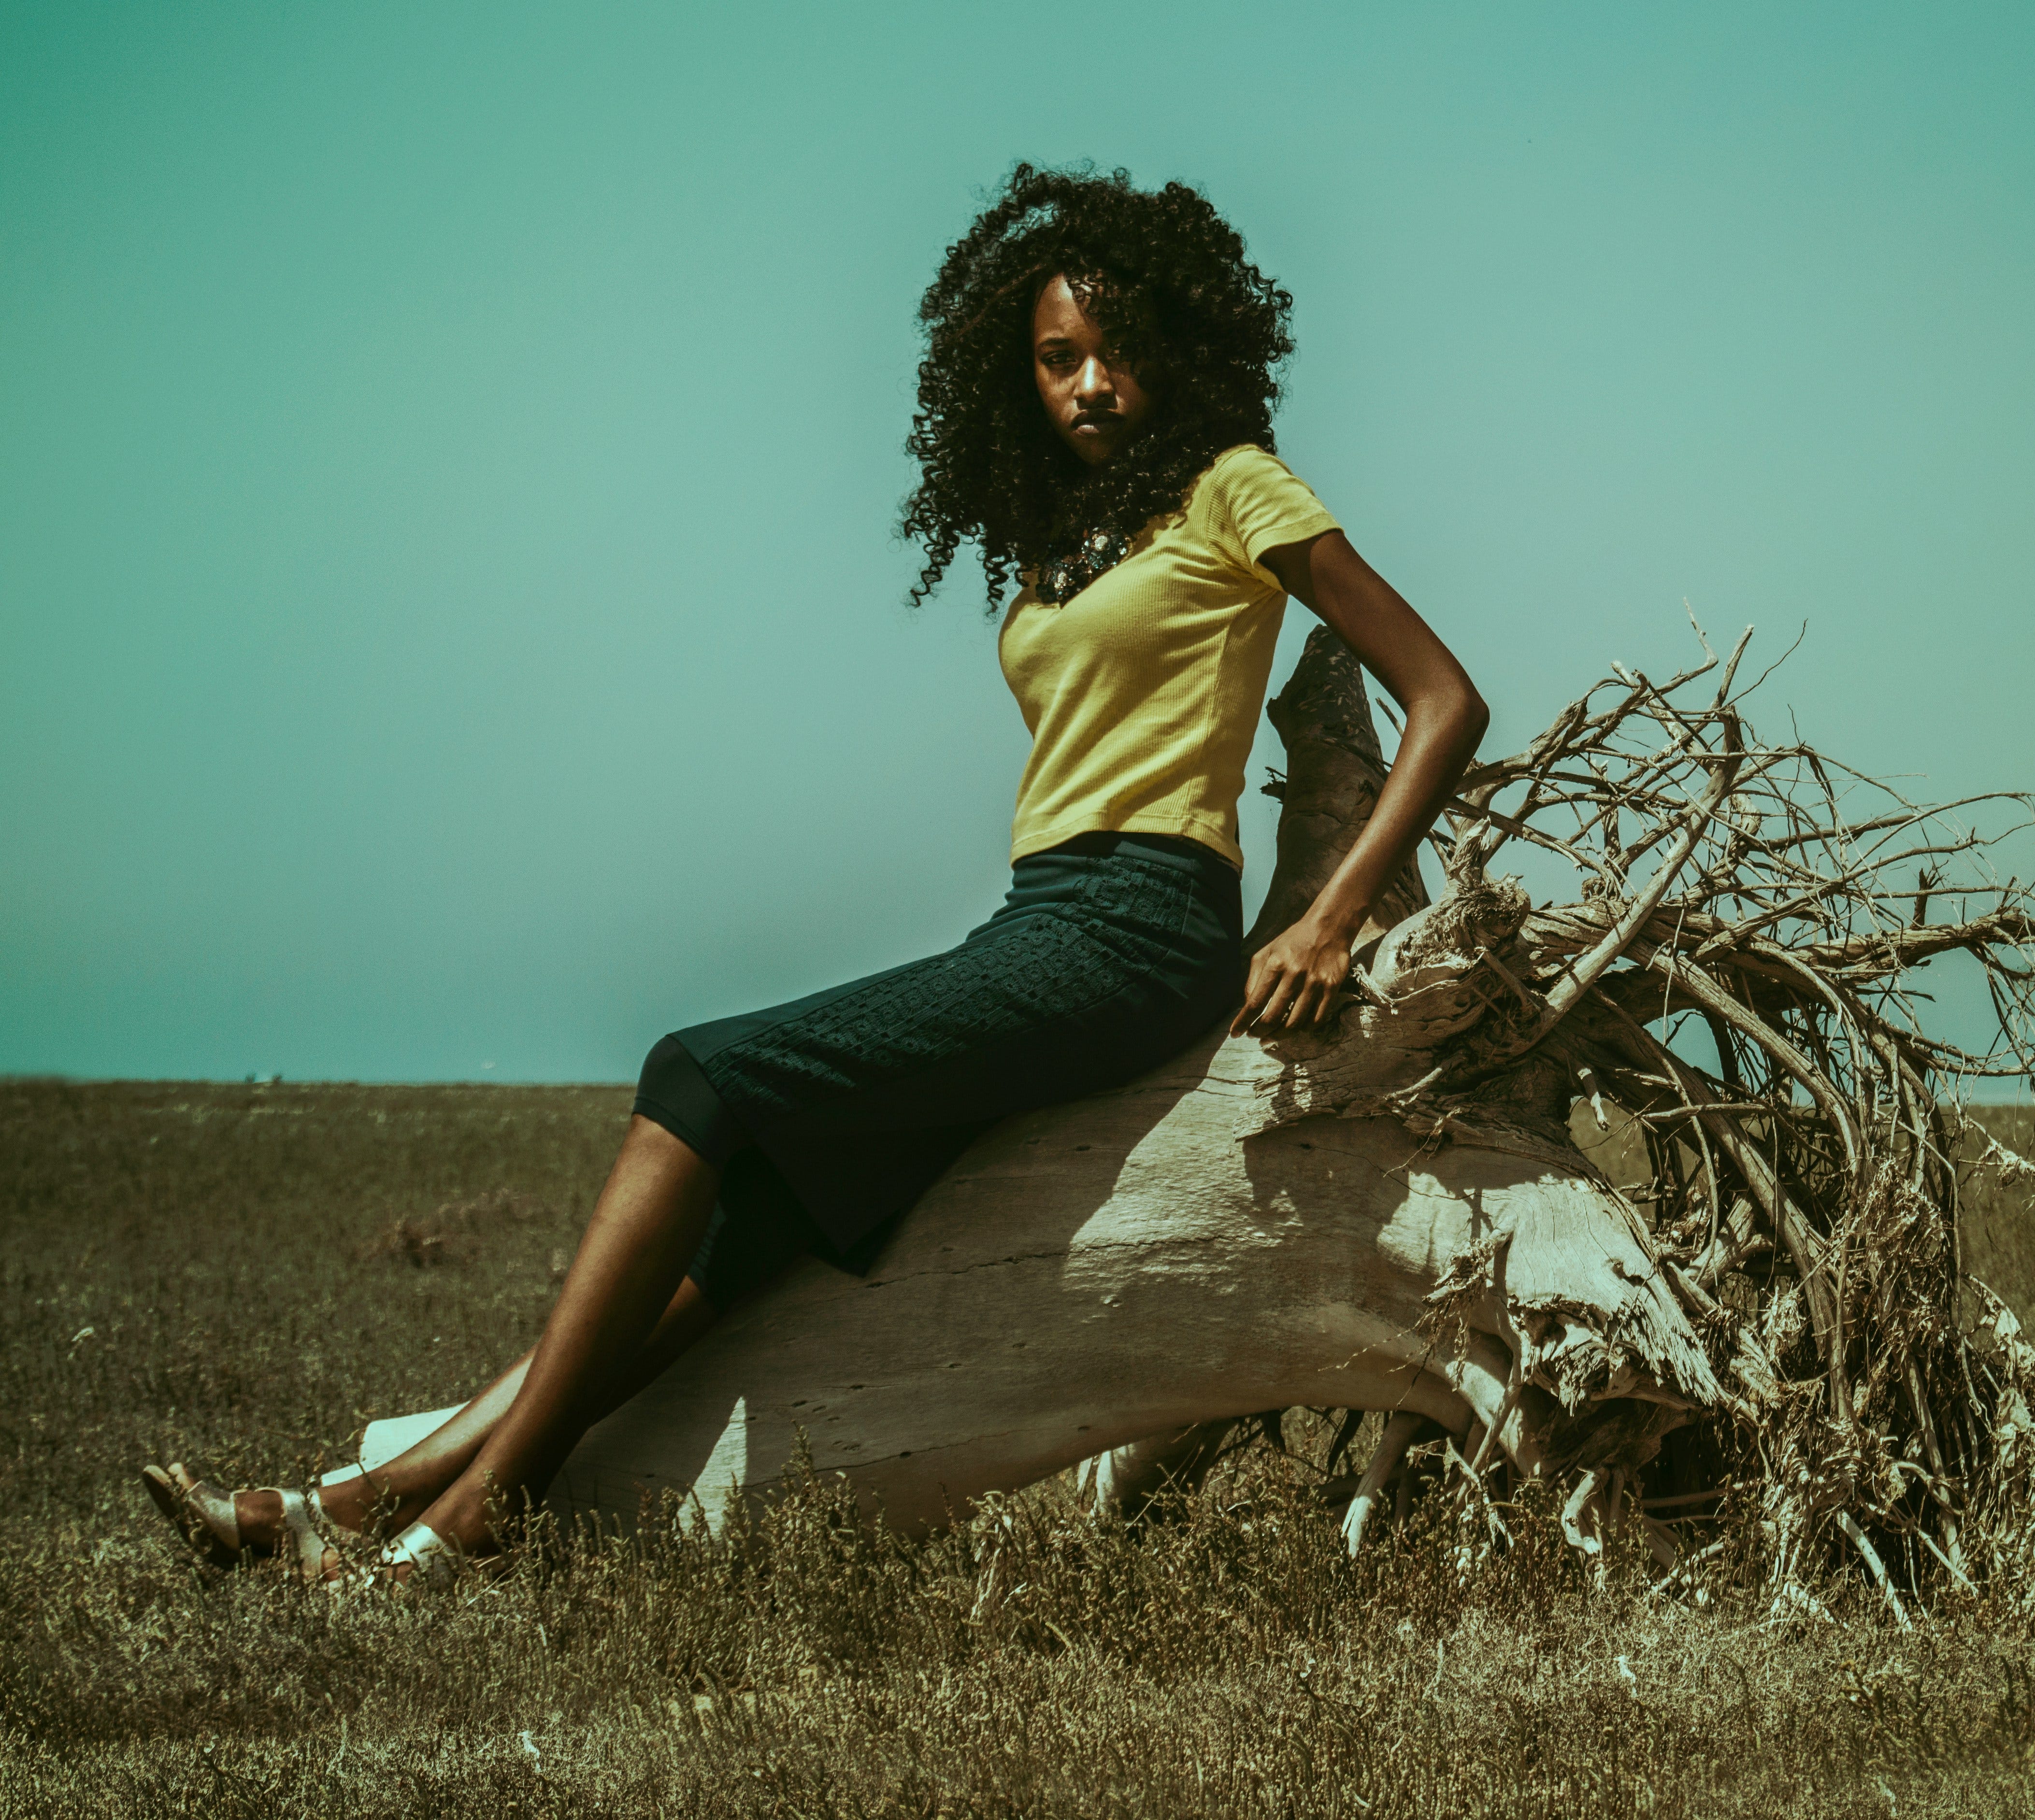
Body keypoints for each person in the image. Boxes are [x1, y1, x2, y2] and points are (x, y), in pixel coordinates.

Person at [141, 164, 1488, 1585]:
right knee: (756, 1220)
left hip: (1145, 928)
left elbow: (1445, 698)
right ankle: (342, 1510)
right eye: (1059, 358)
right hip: (1042, 918)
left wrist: (1330, 919)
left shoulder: (1235, 487)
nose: (1092, 383)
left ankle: (468, 1528)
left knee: (698, 1076)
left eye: (1120, 351)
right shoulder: (1068, 538)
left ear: (1182, 351)